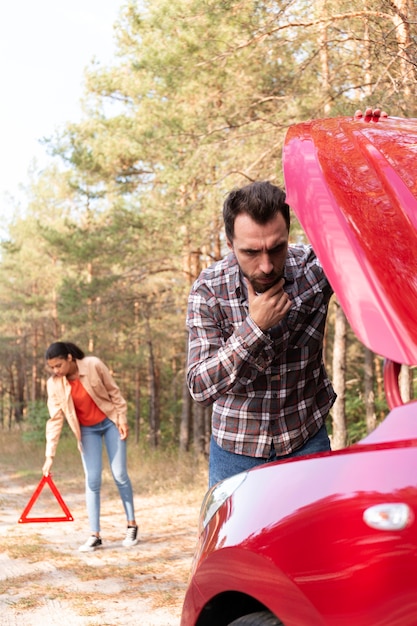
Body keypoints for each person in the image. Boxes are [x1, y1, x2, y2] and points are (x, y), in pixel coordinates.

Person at [187, 107, 387, 488]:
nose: (265, 265)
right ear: (230, 244)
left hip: (306, 438)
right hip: (236, 450)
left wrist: (367, 146)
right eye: (250, 252)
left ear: (289, 232)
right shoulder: (209, 289)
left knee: (316, 545)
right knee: (239, 547)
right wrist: (254, 328)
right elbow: (199, 385)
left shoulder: (314, 268)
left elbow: (369, 231)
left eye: (275, 248)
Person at [43, 341, 138, 552]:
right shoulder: (54, 384)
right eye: (52, 368)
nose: (55, 371)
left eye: (58, 365)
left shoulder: (93, 364)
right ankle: (95, 535)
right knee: (92, 480)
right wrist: (49, 456)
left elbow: (115, 393)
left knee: (119, 474)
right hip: (86, 431)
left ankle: (131, 525)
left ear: (69, 358)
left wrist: (122, 419)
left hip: (110, 422)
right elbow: (55, 420)